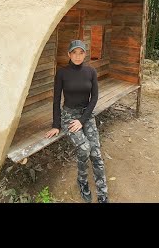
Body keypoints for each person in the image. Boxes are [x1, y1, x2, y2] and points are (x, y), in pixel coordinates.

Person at [45, 39, 109, 203]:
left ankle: (102, 193)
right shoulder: (62, 73)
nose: (78, 56)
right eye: (74, 52)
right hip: (69, 116)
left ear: (85, 54)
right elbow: (56, 100)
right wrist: (56, 124)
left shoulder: (91, 72)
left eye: (81, 52)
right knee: (85, 148)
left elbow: (94, 98)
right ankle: (82, 181)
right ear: (69, 54)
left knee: (96, 153)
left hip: (86, 115)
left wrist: (83, 119)